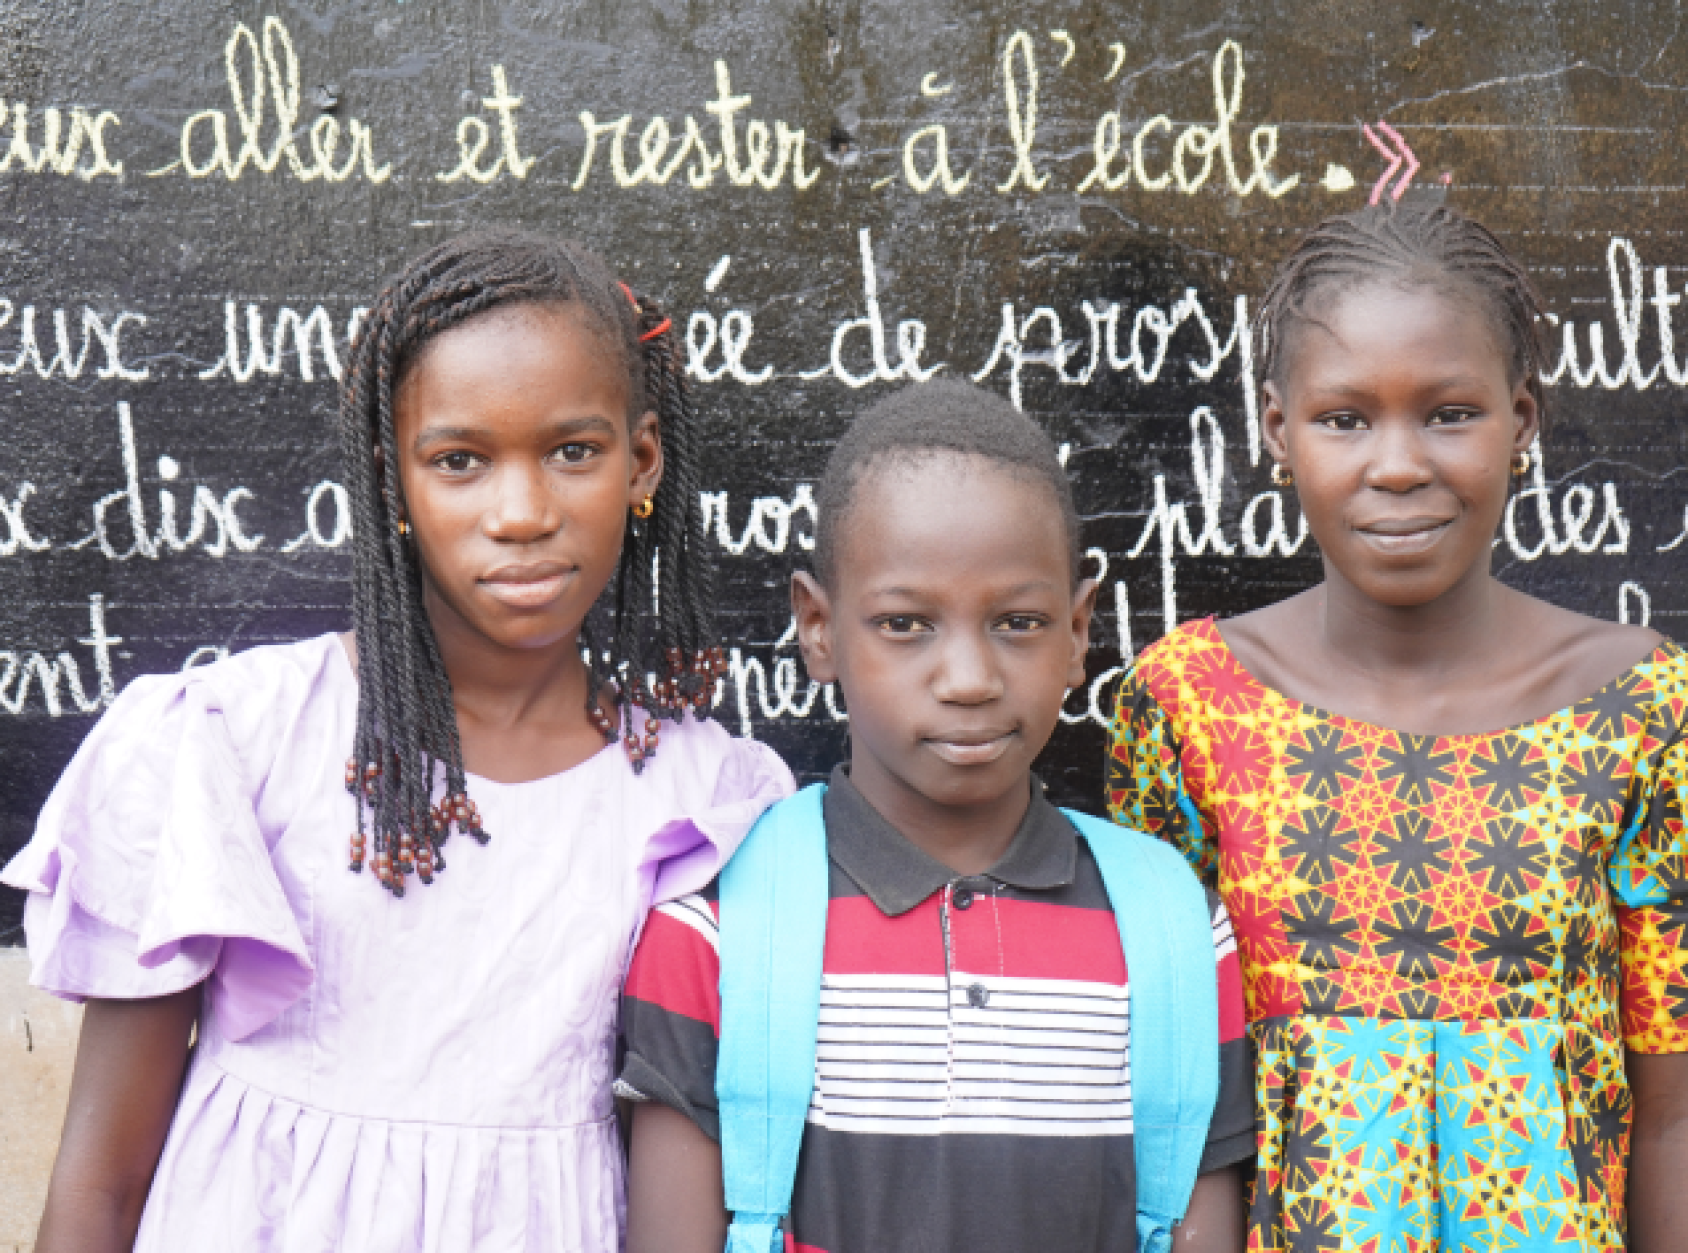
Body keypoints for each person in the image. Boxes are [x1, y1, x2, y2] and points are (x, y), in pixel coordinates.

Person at [3, 230, 793, 1253]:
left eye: (573, 450)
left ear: (641, 459)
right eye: (459, 460)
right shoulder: (236, 742)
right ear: (393, 478)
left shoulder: (703, 799)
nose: (520, 512)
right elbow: (100, 1183)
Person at [1106, 202, 1688, 1253]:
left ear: (1520, 420)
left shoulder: (1641, 708)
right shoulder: (1186, 702)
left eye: (1449, 413)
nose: (1396, 464)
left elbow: (1673, 1103)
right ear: (1277, 429)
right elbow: (1180, 1096)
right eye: (1343, 419)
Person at [616, 380, 1255, 1253]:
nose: (968, 677)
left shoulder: (1176, 932)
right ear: (818, 628)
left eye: (1019, 622)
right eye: (907, 623)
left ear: (1077, 632)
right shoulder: (716, 930)